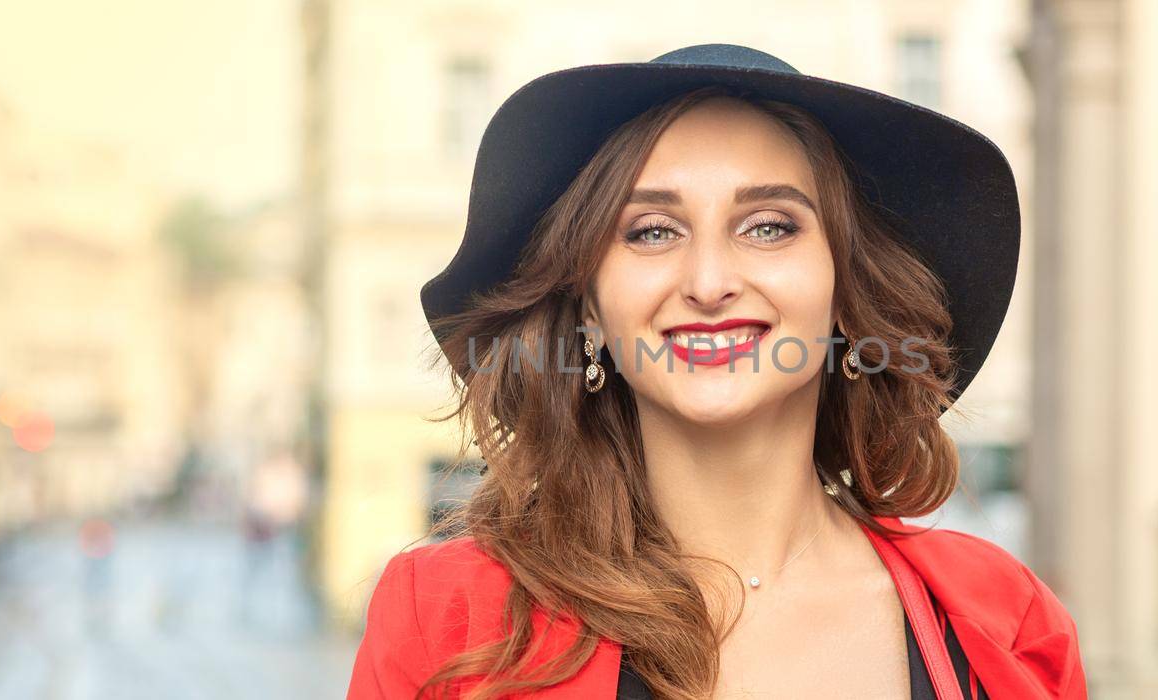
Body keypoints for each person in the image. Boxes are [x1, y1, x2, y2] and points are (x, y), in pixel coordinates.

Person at [347, 43, 1086, 700]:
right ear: (592, 309)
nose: (708, 280)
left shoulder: (1008, 621)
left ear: (845, 293)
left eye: (769, 226)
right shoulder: (444, 618)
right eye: (652, 231)